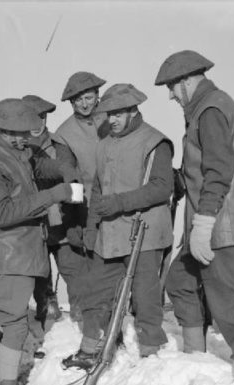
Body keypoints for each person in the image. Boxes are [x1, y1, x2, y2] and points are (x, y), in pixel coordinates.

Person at [0, 98, 82, 385]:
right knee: (15, 330)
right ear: (0, 131)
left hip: (23, 256)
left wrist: (67, 171)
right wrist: (55, 195)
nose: (25, 139)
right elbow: (1, 213)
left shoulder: (14, 151)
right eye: (18, 134)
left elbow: (39, 165)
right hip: (7, 259)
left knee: (18, 332)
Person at [154, 50, 234, 377]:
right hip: (210, 220)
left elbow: (218, 171)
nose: (171, 96)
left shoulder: (211, 110)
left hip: (218, 222)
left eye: (172, 88)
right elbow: (202, 168)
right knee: (179, 280)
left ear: (188, 81)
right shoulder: (209, 106)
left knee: (230, 294)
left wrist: (203, 224)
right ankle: (195, 357)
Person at [62, 83, 174, 369]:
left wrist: (120, 203)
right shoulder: (104, 145)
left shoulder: (155, 142)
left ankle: (151, 354)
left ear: (134, 111)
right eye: (108, 114)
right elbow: (97, 193)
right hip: (108, 235)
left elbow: (162, 188)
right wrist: (91, 228)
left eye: (118, 114)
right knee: (96, 292)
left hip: (144, 234)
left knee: (145, 297)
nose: (111, 120)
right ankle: (90, 350)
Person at [22, 94, 87, 327]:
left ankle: (81, 316)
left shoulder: (59, 144)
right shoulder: (16, 148)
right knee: (41, 276)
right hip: (32, 222)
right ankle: (48, 317)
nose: (39, 122)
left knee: (74, 271)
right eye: (33, 117)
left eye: (42, 116)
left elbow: (70, 172)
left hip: (61, 218)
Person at [53, 71, 110, 321]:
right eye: (78, 100)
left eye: (88, 97)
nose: (84, 104)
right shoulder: (64, 133)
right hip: (90, 207)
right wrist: (76, 218)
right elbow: (69, 175)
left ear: (98, 95)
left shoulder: (114, 116)